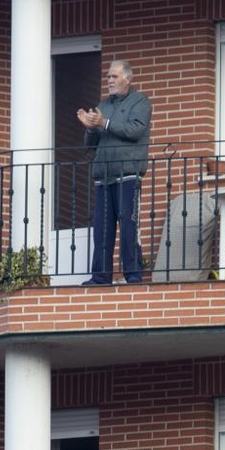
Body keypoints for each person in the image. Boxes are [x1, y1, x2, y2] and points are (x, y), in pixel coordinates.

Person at [78, 60, 152, 286]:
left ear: (127, 79)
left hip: (128, 175)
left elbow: (135, 129)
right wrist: (90, 128)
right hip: (104, 176)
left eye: (114, 76)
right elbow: (91, 144)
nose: (109, 80)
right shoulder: (104, 105)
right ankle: (100, 276)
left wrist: (105, 122)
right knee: (102, 229)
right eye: (108, 76)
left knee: (129, 226)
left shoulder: (140, 102)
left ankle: (133, 274)